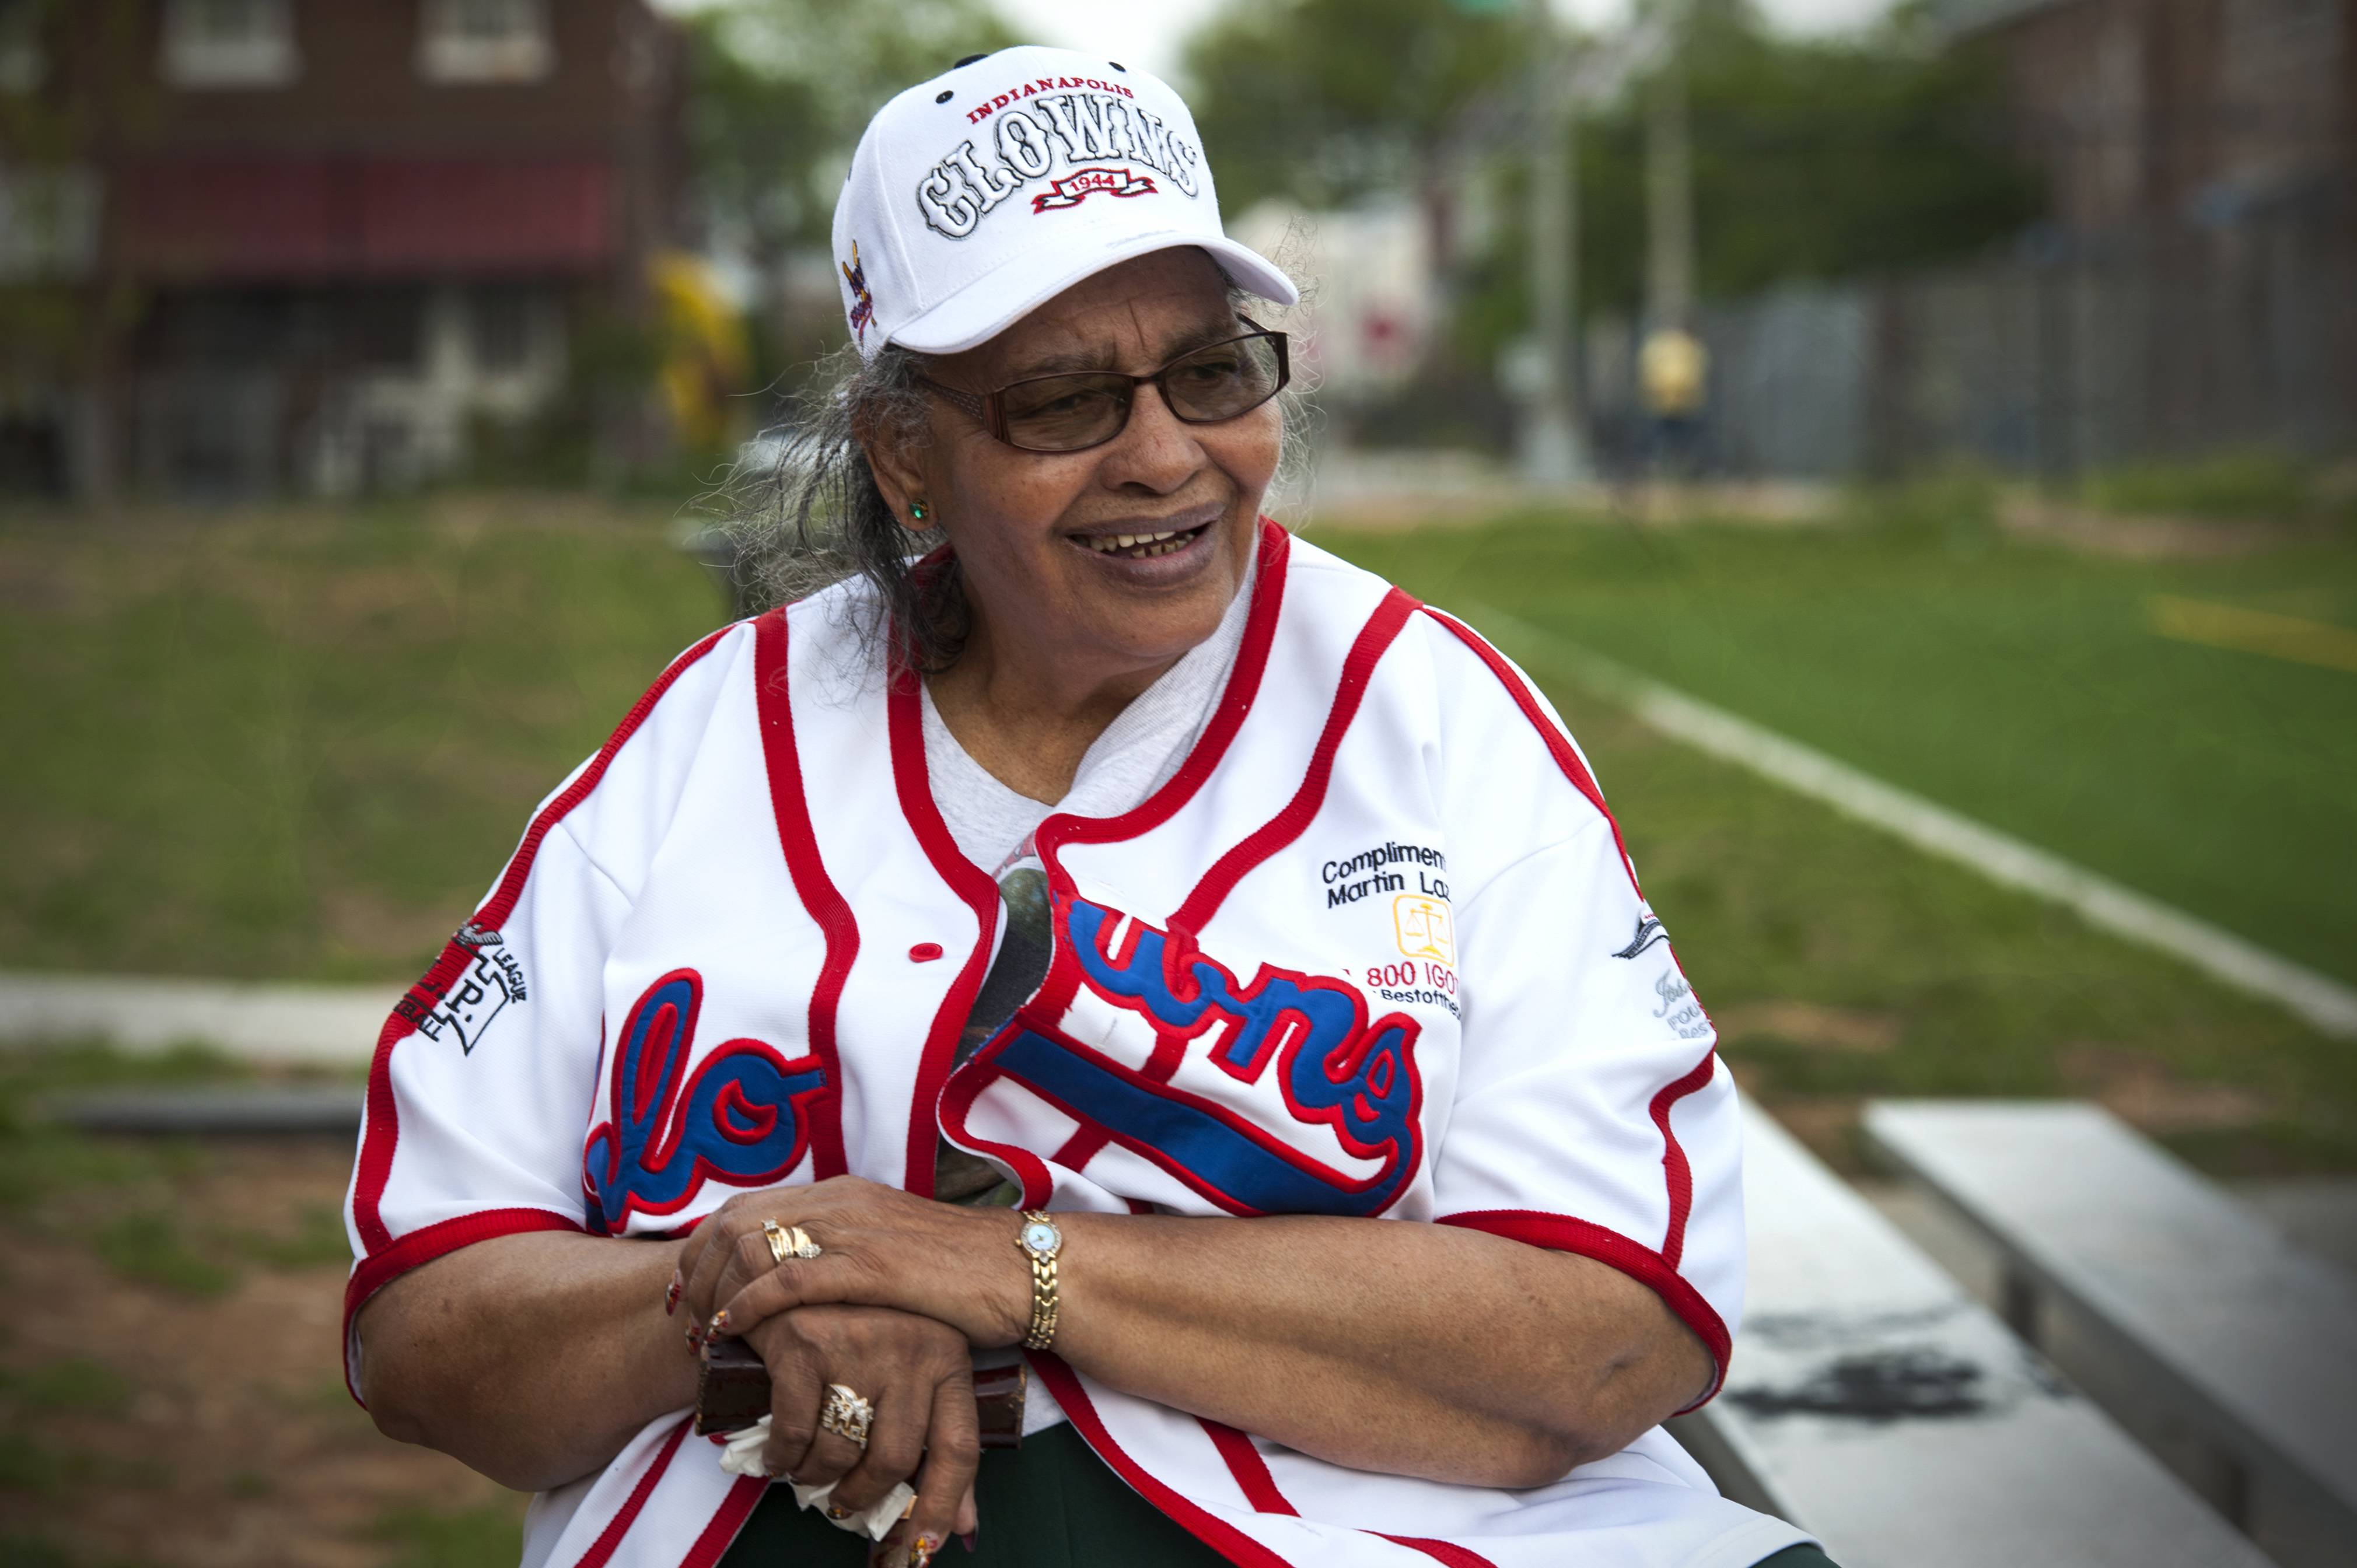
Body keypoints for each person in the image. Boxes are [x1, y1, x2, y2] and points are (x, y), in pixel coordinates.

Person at [342, 46, 1831, 1568]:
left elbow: (1611, 1339)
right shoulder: (704, 749)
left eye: (1210, 370)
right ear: (907, 457)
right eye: (1062, 401)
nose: (1168, 456)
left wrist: (1010, 1271)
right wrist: (762, 1291)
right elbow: (422, 1326)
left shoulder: (1433, 725)